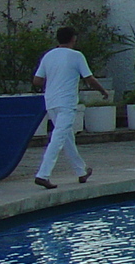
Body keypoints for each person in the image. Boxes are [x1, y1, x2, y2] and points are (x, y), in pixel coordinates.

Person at [31, 25, 107, 190]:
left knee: (66, 137)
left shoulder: (48, 56)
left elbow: (37, 81)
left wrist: (53, 82)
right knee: (58, 137)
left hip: (51, 101)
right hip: (66, 102)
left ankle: (81, 171)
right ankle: (43, 174)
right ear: (73, 38)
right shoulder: (76, 56)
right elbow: (89, 78)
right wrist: (103, 91)